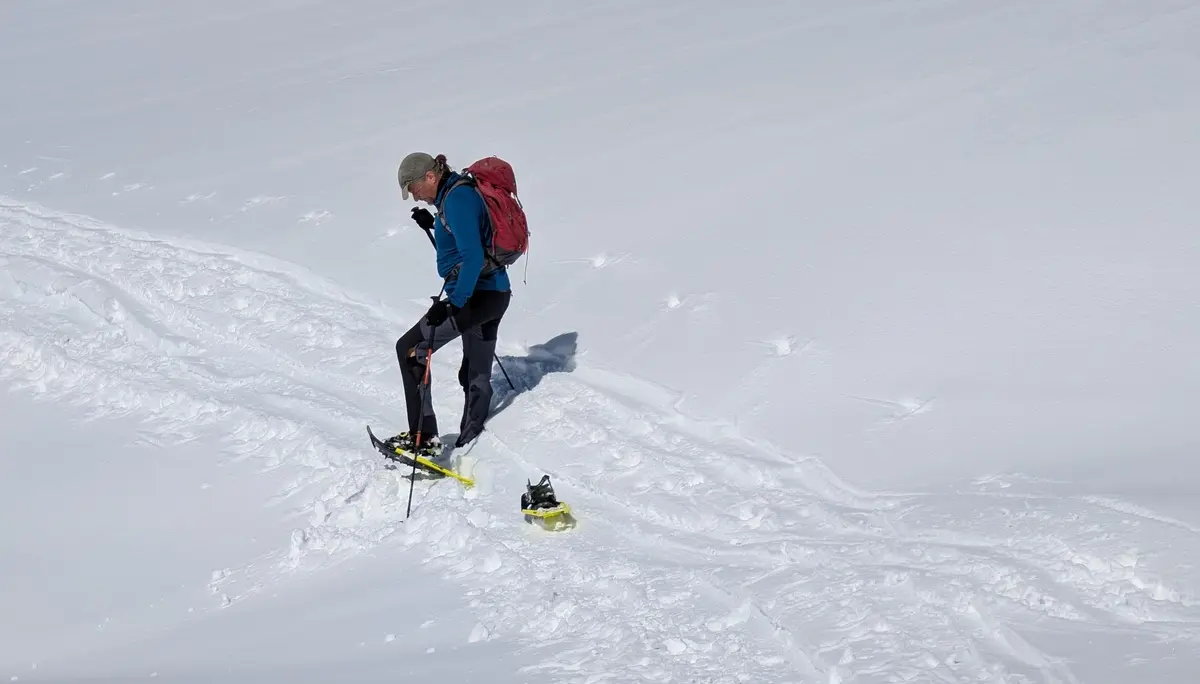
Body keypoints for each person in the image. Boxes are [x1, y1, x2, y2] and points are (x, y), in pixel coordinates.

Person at [386, 152, 512, 459]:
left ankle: (424, 439)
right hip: (494, 294)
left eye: (412, 188)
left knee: (411, 349)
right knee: (475, 370)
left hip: (473, 297)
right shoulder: (454, 196)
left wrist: (452, 304)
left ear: (429, 177)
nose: (413, 195)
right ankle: (471, 435)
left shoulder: (456, 200)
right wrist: (435, 224)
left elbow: (471, 257)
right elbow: (467, 241)